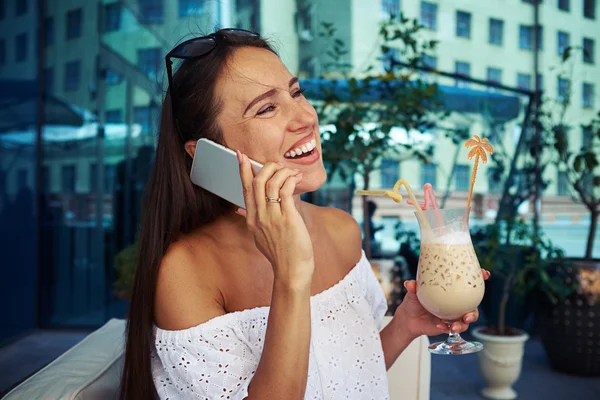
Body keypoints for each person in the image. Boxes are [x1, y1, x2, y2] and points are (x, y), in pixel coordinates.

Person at [119, 29, 488, 400]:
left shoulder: (341, 230)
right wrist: (291, 273)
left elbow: (354, 376)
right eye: (266, 108)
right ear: (205, 153)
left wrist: (406, 324)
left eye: (296, 93)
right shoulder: (186, 273)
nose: (305, 117)